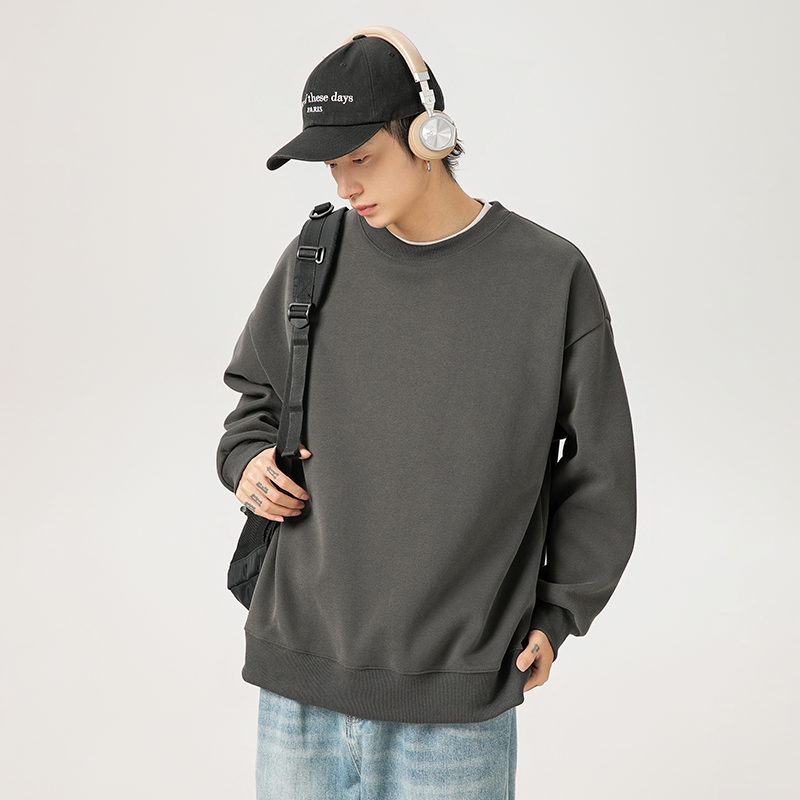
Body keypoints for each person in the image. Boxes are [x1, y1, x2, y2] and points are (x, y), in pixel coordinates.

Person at [216, 26, 636, 800]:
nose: (347, 185)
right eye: (333, 166)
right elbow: (254, 407)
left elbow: (600, 472)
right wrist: (247, 465)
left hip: (455, 700)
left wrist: (558, 613)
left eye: (362, 158)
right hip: (297, 682)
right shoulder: (315, 257)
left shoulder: (548, 277)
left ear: (427, 136)